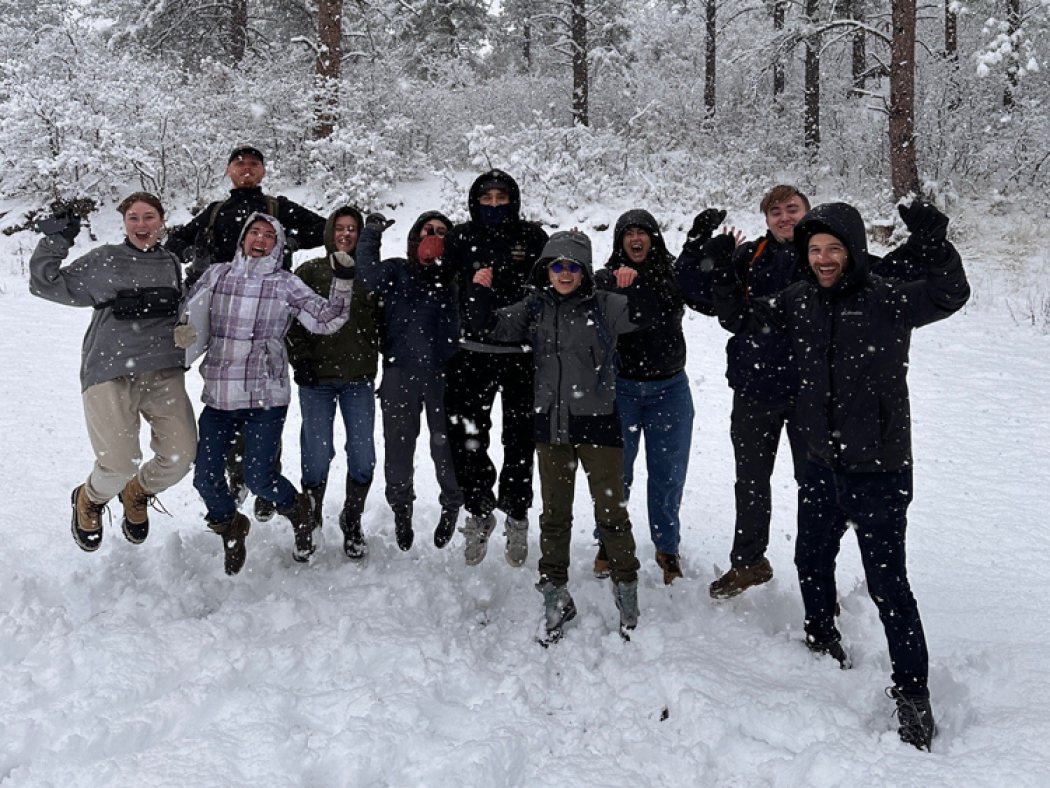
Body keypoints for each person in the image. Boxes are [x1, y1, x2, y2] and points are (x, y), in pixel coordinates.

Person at [708, 200, 969, 751]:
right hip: (821, 467)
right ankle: (822, 638)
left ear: (851, 249)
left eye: (833, 248)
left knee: (888, 585)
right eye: (815, 250)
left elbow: (950, 294)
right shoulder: (799, 301)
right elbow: (744, 318)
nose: (824, 259)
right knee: (810, 559)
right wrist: (728, 278)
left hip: (879, 469)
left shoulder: (888, 299)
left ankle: (913, 693)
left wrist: (937, 247)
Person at [467, 230, 659, 644]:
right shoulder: (535, 307)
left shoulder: (605, 304)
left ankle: (627, 592)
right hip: (551, 426)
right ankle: (554, 595)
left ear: (585, 270)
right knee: (554, 517)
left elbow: (647, 317)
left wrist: (635, 283)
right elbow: (490, 326)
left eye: (573, 266)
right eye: (557, 265)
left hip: (599, 425)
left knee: (611, 516)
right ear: (547, 269)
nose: (565, 273)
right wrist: (480, 291)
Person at [174, 213, 354, 575]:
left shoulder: (286, 284)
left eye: (269, 235)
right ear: (242, 238)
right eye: (253, 232)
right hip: (220, 396)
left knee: (259, 477)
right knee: (205, 477)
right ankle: (230, 526)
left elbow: (327, 319)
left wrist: (343, 281)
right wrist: (183, 332)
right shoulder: (217, 275)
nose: (260, 239)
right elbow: (188, 315)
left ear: (278, 245)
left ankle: (298, 510)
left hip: (266, 396)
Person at [166, 145, 327, 519]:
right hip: (223, 310)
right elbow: (177, 243)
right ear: (228, 172)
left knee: (262, 398)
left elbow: (322, 229)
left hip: (268, 308)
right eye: (240, 164)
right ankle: (238, 480)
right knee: (226, 398)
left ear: (264, 172)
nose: (247, 169)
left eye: (254, 164)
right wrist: (184, 260)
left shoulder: (276, 207)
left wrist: (292, 241)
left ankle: (263, 482)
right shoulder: (215, 212)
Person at [29, 192, 196, 551]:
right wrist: (56, 241)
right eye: (133, 218)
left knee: (181, 456)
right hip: (110, 369)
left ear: (162, 222)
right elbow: (45, 283)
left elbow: (186, 305)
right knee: (119, 464)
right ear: (123, 222)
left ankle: (138, 492)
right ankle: (89, 499)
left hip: (163, 370)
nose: (142, 225)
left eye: (149, 217)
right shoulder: (105, 260)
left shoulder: (170, 262)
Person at [677, 186, 811, 599]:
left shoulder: (826, 254)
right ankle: (748, 562)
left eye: (793, 209)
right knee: (751, 481)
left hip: (815, 392)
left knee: (817, 485)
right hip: (755, 389)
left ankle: (817, 576)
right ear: (766, 218)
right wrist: (700, 243)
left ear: (808, 212)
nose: (785, 217)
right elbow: (690, 285)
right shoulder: (750, 256)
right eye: (776, 211)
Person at [443, 170, 548, 567]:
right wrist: (470, 284)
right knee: (468, 436)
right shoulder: (460, 237)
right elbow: (442, 282)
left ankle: (517, 515)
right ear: (475, 201)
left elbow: (549, 283)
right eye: (486, 199)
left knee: (520, 439)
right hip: (472, 351)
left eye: (501, 198)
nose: (493, 205)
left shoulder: (532, 237)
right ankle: (479, 509)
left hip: (522, 354)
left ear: (513, 199)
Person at [592, 209, 697, 585]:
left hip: (670, 389)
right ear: (619, 240)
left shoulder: (672, 274)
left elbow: (678, 298)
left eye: (642, 232)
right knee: (615, 474)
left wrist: (704, 245)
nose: (635, 239)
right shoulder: (607, 276)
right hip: (621, 389)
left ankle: (667, 546)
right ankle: (607, 540)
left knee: (668, 474)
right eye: (628, 233)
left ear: (654, 237)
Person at [357, 210, 464, 552]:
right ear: (415, 236)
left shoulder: (455, 278)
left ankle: (451, 505)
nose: (434, 235)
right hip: (399, 370)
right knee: (398, 448)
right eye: (428, 230)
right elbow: (367, 275)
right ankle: (401, 508)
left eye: (442, 232)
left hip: (444, 374)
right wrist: (371, 233)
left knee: (445, 448)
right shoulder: (397, 271)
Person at [285, 206, 380, 559]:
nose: (345, 234)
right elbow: (291, 319)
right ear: (329, 232)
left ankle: (352, 519)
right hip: (317, 380)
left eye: (352, 228)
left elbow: (386, 322)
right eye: (339, 228)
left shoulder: (369, 274)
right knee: (316, 453)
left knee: (362, 454)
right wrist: (301, 359)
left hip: (359, 379)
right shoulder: (309, 271)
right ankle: (310, 520)